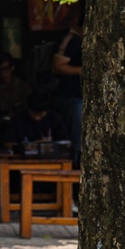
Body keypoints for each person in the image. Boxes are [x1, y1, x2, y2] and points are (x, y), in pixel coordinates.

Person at [50, 11, 83, 154]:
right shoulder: (72, 40)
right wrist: (82, 70)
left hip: (79, 95)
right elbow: (57, 66)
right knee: (76, 138)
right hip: (71, 95)